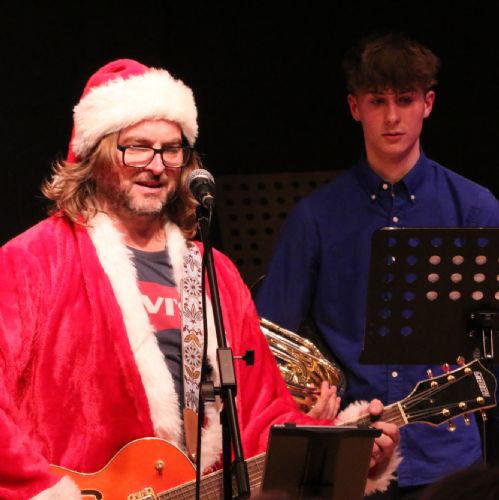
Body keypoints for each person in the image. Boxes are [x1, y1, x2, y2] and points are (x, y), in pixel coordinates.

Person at [0, 58, 400, 499]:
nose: (156, 166)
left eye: (171, 149)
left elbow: (260, 417)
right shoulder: (32, 262)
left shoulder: (213, 273)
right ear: (97, 155)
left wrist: (349, 452)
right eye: (137, 147)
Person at [255, 32, 499, 499]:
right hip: (349, 458)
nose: (391, 117)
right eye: (377, 101)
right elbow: (268, 343)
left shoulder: (475, 209)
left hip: (447, 458)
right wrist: (307, 409)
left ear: (428, 104)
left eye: (405, 100)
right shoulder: (315, 218)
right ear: (355, 107)